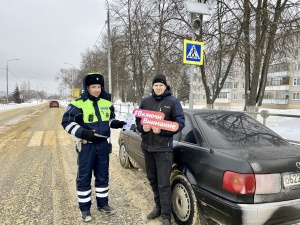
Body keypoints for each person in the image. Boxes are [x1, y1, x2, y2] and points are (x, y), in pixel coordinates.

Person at [61, 73, 126, 222]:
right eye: (93, 87)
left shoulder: (106, 103)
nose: (96, 89)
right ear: (87, 87)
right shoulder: (77, 104)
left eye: (99, 87)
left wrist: (118, 123)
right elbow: (67, 123)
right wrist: (83, 132)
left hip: (103, 146)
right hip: (86, 147)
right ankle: (85, 209)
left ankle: (103, 204)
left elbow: (109, 121)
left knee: (103, 176)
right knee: (84, 178)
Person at [136, 74, 185, 225]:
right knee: (152, 180)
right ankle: (158, 207)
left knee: (163, 183)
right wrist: (142, 128)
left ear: (165, 86)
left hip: (164, 150)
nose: (158, 87)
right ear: (152, 86)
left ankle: (166, 216)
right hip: (148, 148)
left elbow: (180, 123)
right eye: (156, 85)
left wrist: (162, 130)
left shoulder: (173, 102)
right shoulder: (145, 101)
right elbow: (138, 121)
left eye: (161, 85)